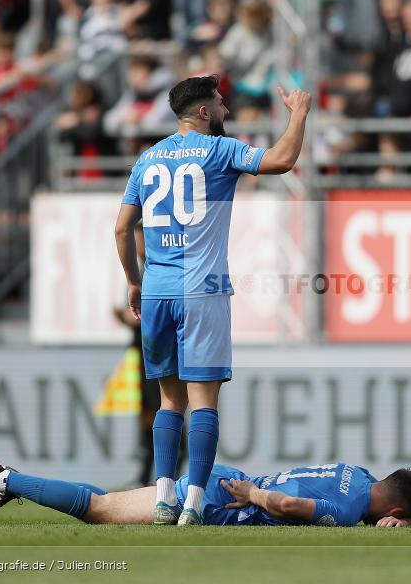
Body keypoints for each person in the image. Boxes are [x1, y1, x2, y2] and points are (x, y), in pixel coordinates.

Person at [113, 75, 311, 526]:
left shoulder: (147, 159)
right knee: (204, 402)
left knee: (168, 401)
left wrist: (133, 281)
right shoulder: (220, 150)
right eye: (220, 105)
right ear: (203, 112)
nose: (225, 111)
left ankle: (164, 499)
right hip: (202, 290)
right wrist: (298, 114)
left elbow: (122, 228)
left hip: (158, 290)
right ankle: (194, 505)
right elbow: (280, 160)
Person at [0, 457, 411, 528]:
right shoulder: (346, 511)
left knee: (104, 503)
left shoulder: (360, 476)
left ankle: (11, 480)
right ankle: (3, 478)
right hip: (227, 497)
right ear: (398, 509)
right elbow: (290, 505)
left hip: (228, 479)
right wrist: (256, 497)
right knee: (99, 510)